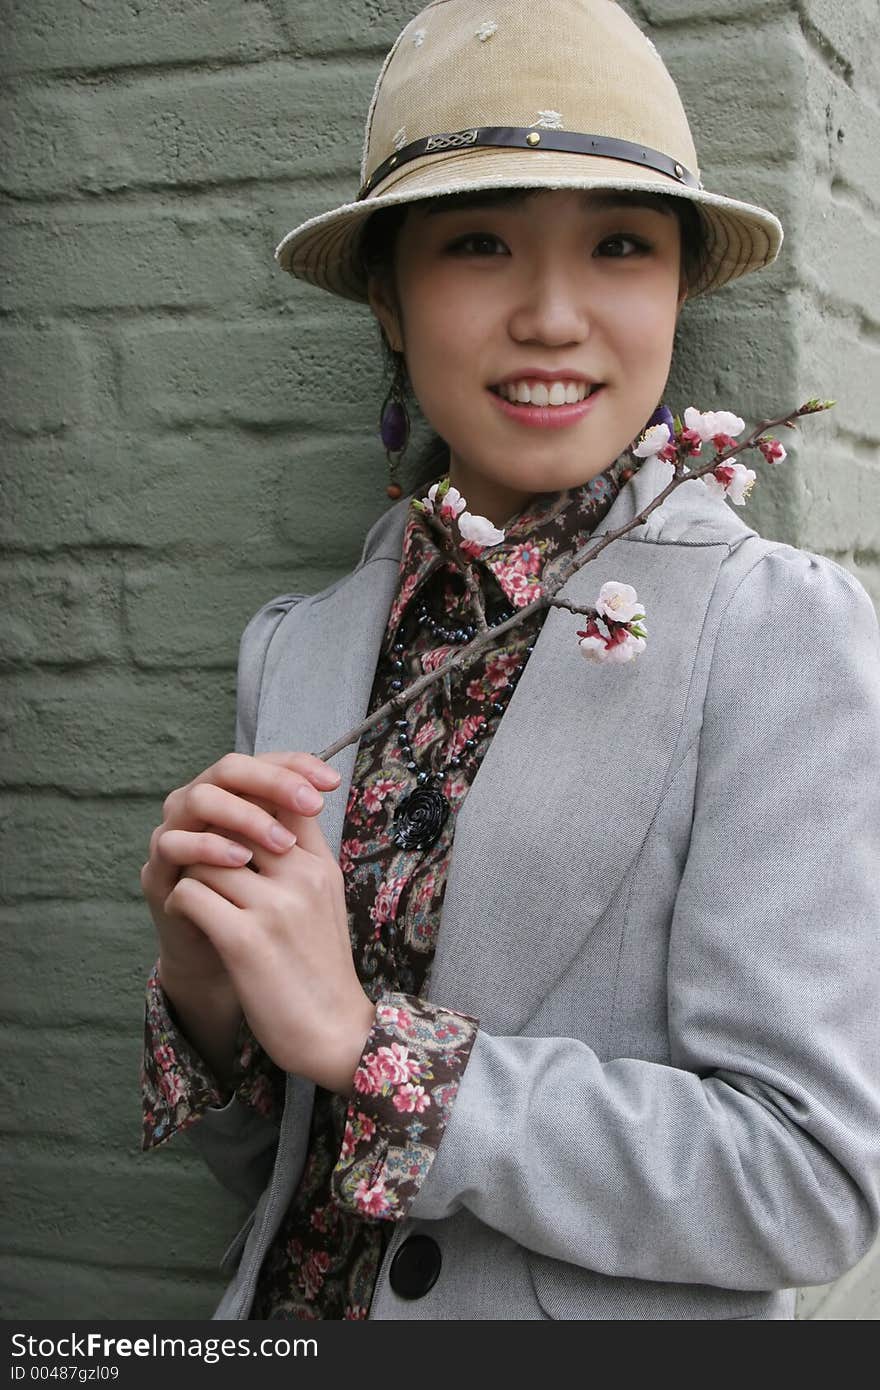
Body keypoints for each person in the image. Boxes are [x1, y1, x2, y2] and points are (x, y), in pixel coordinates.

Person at [139, 0, 880, 1321]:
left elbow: (808, 1180)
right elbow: (276, 1171)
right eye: (479, 244)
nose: (552, 314)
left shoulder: (772, 635)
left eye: (619, 246)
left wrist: (381, 1050)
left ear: (675, 290)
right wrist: (209, 993)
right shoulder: (299, 652)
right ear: (389, 293)